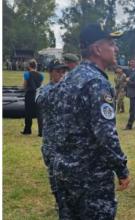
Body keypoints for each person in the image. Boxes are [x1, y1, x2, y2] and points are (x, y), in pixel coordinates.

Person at [49, 23, 130, 219]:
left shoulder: (69, 78)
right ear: (97, 49)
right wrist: (121, 168)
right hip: (90, 176)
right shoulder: (96, 82)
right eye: (111, 44)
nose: (115, 48)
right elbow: (105, 133)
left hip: (64, 171)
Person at [36, 58, 68, 207]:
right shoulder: (44, 89)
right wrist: (59, 86)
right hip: (52, 141)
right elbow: (40, 101)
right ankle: (58, 201)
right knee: (54, 174)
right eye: (58, 71)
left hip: (69, 140)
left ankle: (68, 201)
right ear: (50, 72)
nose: (61, 74)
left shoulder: (69, 89)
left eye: (64, 71)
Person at [21, 59, 44, 136]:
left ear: (29, 66)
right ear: (36, 66)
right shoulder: (41, 75)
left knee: (28, 113)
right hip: (38, 94)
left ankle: (27, 130)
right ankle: (41, 132)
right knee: (39, 114)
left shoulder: (27, 74)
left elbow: (24, 85)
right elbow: (40, 86)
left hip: (29, 94)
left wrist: (24, 89)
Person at [125, 58, 135, 130]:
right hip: (132, 93)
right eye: (130, 62)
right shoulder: (131, 70)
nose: (131, 63)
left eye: (132, 62)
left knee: (132, 110)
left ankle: (129, 125)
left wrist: (128, 81)